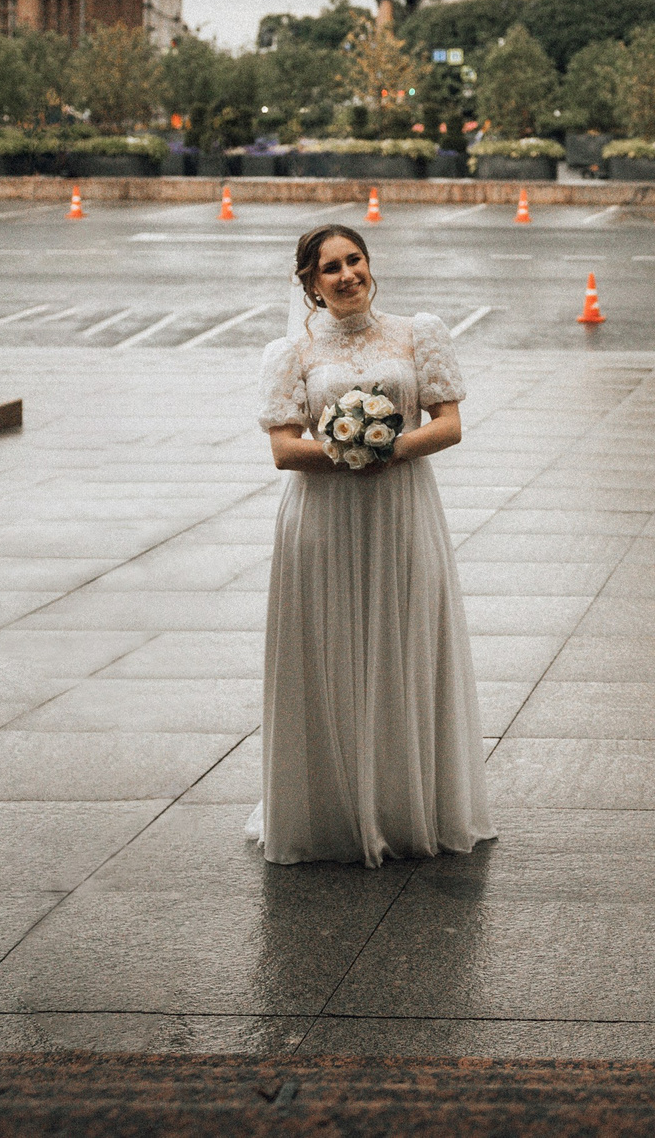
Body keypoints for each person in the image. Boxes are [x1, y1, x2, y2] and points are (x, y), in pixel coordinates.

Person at [249, 223, 492, 866]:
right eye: (331, 268)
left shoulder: (419, 333)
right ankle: (329, 808)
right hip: (321, 520)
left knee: (404, 640)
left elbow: (450, 425)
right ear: (309, 282)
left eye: (355, 260)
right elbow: (282, 451)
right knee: (330, 647)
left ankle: (406, 802)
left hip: (402, 510)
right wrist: (346, 455)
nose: (348, 275)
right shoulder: (290, 351)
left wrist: (387, 448)